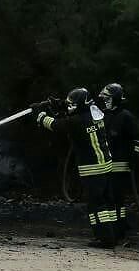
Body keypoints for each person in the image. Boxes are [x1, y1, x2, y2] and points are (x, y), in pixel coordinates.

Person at [34, 88, 120, 247]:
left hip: (93, 168)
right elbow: (72, 114)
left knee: (96, 205)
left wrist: (40, 115)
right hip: (106, 166)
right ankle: (114, 234)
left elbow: (56, 125)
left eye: (73, 105)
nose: (70, 108)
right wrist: (60, 105)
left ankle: (105, 239)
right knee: (107, 202)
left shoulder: (77, 122)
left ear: (81, 105)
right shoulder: (95, 112)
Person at [98, 82, 139, 239]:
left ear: (115, 98)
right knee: (108, 199)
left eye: (107, 98)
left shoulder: (125, 117)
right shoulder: (104, 115)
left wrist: (134, 159)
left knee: (117, 198)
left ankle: (118, 229)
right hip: (105, 165)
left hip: (120, 165)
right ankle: (115, 227)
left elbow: (137, 140)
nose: (104, 101)